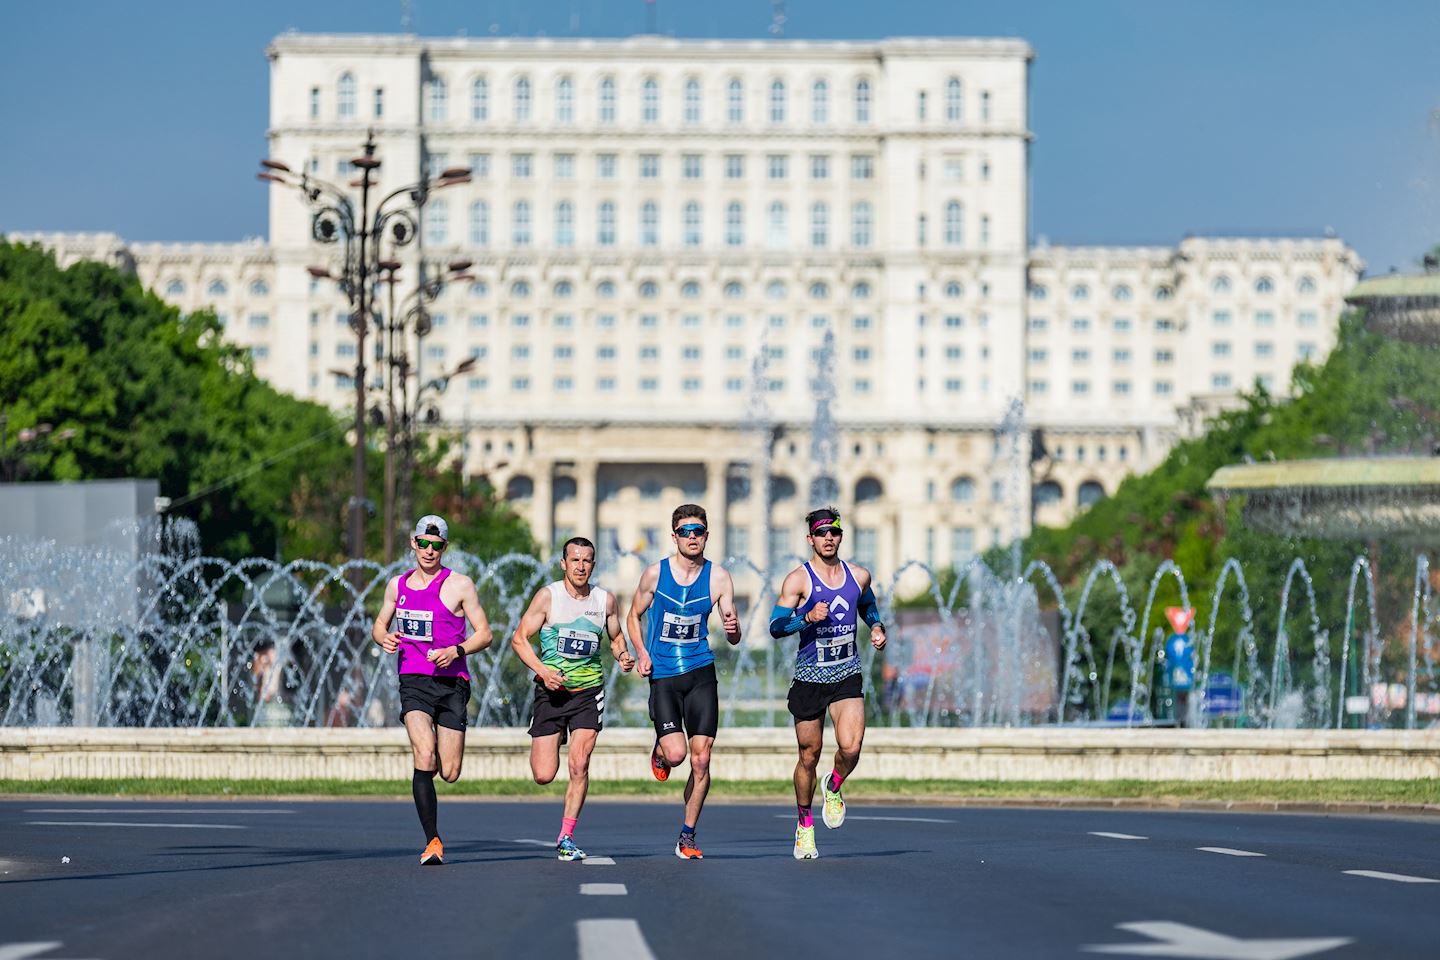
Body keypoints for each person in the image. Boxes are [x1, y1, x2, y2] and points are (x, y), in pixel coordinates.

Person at [371, 515, 494, 866]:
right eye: (422, 543)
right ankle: (433, 840)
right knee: (424, 755)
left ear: (445, 548)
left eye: (436, 545)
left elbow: (485, 633)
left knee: (450, 772)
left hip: (453, 683)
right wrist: (385, 638)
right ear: (413, 543)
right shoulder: (397, 585)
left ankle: (439, 758)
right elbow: (379, 625)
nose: (428, 550)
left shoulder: (460, 585)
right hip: (414, 680)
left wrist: (456, 651)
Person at [769, 507, 887, 860]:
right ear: (811, 539)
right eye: (821, 533)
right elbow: (776, 627)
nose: (828, 538)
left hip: (846, 673)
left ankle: (833, 786)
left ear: (840, 535)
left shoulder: (859, 575)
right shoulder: (798, 581)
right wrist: (805, 617)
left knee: (851, 747)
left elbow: (868, 606)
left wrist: (878, 627)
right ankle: (804, 825)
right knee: (809, 755)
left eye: (833, 532)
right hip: (809, 678)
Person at [626, 504, 742, 860]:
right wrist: (642, 652)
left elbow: (733, 634)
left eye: (699, 531)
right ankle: (661, 749)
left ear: (707, 535)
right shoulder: (654, 574)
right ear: (674, 536)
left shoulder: (719, 578)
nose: (693, 537)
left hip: (700, 672)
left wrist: (733, 630)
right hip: (662, 674)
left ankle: (687, 835)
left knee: (701, 759)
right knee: (677, 755)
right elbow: (633, 616)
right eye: (686, 531)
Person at [512, 536, 634, 861]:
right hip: (551, 693)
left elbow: (616, 635)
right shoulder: (547, 597)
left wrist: (622, 655)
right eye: (575, 560)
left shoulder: (604, 601)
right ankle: (553, 737)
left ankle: (566, 836)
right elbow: (519, 639)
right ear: (564, 563)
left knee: (579, 764)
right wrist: (542, 670)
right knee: (543, 774)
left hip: (588, 692)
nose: (581, 566)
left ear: (593, 565)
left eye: (587, 561)